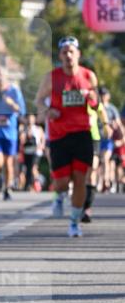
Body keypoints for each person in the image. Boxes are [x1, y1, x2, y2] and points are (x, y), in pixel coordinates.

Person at [34, 35, 98, 238]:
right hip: (59, 135)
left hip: (82, 133)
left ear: (78, 54)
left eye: (72, 52)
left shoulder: (88, 76)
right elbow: (39, 101)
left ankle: (74, 222)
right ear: (60, 56)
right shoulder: (51, 78)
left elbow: (96, 103)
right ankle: (59, 195)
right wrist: (48, 111)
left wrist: (93, 99)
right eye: (64, 52)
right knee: (62, 182)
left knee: (80, 179)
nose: (68, 56)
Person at [0, 67, 26, 200]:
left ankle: (7, 188)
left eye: (1, 75)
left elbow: (22, 110)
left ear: (6, 76)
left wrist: (11, 104)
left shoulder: (14, 91)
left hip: (10, 132)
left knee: (8, 163)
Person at [83, 93, 108, 223]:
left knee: (92, 169)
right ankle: (80, 205)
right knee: (81, 174)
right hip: (78, 137)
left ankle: (87, 208)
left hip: (94, 138)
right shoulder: (75, 100)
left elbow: (101, 110)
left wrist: (106, 125)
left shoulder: (92, 99)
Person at [19, 113, 45, 191]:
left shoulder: (38, 128)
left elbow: (43, 139)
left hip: (36, 151)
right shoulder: (24, 128)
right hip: (27, 152)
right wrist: (24, 133)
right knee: (27, 169)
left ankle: (37, 184)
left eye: (32, 118)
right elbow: (21, 140)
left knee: (34, 168)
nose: (30, 120)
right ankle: (28, 185)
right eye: (29, 119)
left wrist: (41, 146)